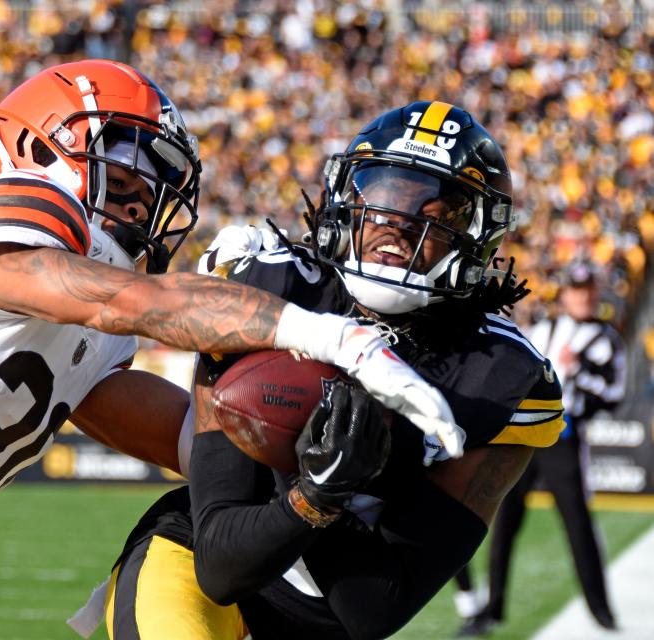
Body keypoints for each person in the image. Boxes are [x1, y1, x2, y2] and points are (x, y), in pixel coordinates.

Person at [0, 62, 459, 639]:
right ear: (36, 141)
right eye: (127, 160)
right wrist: (328, 335)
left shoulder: (84, 312)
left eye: (159, 177)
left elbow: (179, 429)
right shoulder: (18, 205)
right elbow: (128, 301)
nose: (143, 192)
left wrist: (332, 460)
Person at [96, 101, 566, 640]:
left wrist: (334, 487)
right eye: (384, 200)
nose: (397, 227)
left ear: (479, 236)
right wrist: (310, 494)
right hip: (195, 561)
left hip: (325, 622)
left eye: (435, 215)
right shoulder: (269, 289)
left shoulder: (501, 380)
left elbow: (375, 610)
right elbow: (221, 564)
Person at [461, 261, 625, 636]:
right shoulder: (543, 328)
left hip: (564, 440)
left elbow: (613, 394)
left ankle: (601, 610)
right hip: (525, 435)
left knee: (577, 524)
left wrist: (580, 369)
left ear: (595, 294)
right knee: (503, 522)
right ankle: (492, 609)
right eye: (576, 290)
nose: (582, 297)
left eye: (587, 290)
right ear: (565, 294)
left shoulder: (607, 340)